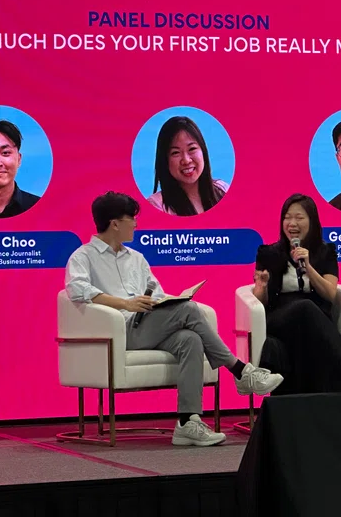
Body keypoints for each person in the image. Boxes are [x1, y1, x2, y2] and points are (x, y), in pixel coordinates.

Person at [66, 191, 283, 447]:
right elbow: (77, 289)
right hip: (119, 332)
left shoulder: (136, 258)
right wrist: (125, 303)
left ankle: (187, 421)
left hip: (148, 324)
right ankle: (240, 370)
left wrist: (170, 301)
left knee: (190, 339)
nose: (136, 224)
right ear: (115, 223)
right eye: (131, 219)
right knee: (190, 311)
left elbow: (156, 292)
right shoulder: (83, 256)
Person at [251, 193, 341, 394]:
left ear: (312, 221)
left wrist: (308, 267)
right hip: (280, 319)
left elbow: (330, 294)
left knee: (308, 309)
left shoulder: (326, 252)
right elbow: (260, 303)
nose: (292, 223)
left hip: (315, 317)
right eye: (287, 217)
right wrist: (261, 287)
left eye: (299, 217)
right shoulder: (268, 253)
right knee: (304, 306)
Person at [147, 116, 229, 216]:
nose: (186, 160)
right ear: (165, 160)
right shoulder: (157, 205)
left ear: (203, 151)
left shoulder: (223, 189)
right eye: (175, 152)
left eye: (192, 149)